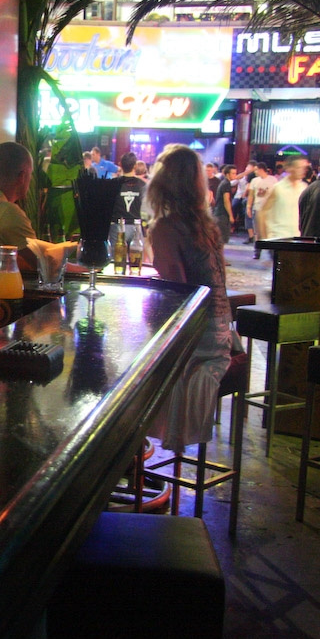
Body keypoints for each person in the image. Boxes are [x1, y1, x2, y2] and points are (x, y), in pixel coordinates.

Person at [144, 144, 232, 453]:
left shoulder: (165, 228)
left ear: (162, 183)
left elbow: (176, 294)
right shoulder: (207, 225)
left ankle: (124, 450)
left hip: (197, 342)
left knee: (123, 366)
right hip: (222, 333)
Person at [258, 156, 308, 242]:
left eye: (305, 168)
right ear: (289, 168)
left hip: (296, 237)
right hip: (278, 237)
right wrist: (264, 237)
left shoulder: (304, 188)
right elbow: (262, 212)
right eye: (299, 167)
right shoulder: (278, 188)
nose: (303, 170)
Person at [110, 151, 147, 253]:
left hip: (118, 226)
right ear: (135, 166)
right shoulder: (142, 185)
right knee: (136, 259)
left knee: (116, 259)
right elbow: (146, 208)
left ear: (120, 165)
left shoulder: (113, 183)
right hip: (136, 226)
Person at [245, 162, 275, 244]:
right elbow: (251, 195)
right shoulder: (254, 181)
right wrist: (248, 207)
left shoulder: (273, 180)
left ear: (261, 169)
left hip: (270, 209)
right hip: (257, 208)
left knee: (269, 229)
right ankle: (257, 247)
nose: (255, 172)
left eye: (256, 170)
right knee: (257, 229)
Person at [213, 164, 236, 244]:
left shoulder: (224, 183)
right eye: (233, 173)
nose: (235, 175)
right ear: (227, 174)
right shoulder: (226, 184)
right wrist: (231, 215)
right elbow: (226, 200)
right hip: (222, 214)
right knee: (222, 239)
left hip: (219, 213)